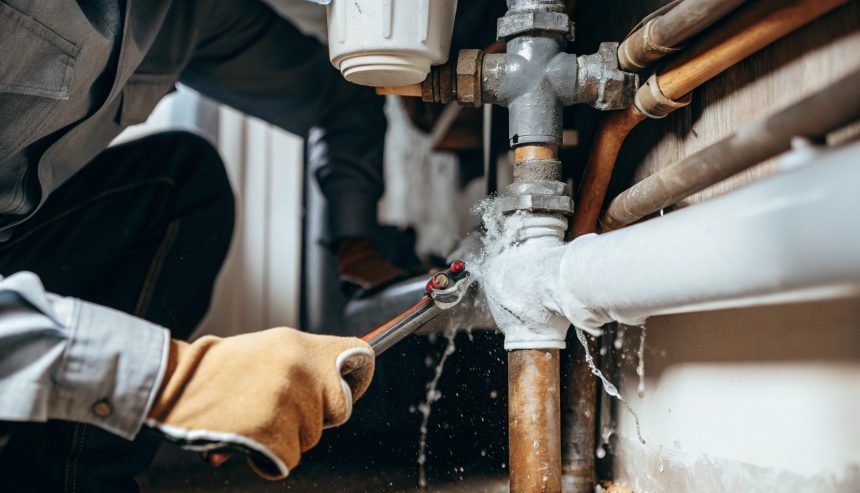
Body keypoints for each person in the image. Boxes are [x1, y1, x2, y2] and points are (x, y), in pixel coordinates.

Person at [0, 0, 390, 490]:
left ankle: (69, 479)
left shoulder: (183, 14)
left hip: (16, 244)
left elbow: (340, 99)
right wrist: (176, 380)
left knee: (181, 180)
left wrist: (357, 248)